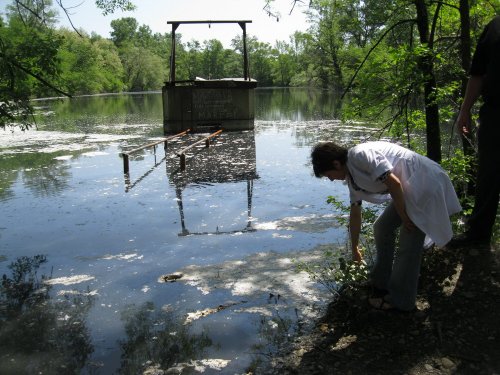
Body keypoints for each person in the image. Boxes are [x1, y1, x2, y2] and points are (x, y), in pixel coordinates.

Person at [311, 141, 461, 311]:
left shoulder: (360, 155)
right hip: (408, 190)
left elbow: (394, 183)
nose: (330, 179)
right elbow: (355, 214)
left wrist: (404, 217)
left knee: (409, 242)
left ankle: (401, 301)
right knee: (382, 228)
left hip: (425, 183)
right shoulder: (352, 178)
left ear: (336, 163)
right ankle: (380, 282)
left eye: (328, 174)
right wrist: (354, 248)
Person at [450, 15, 500, 248]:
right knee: (488, 175)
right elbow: (477, 73)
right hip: (495, 112)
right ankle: (478, 236)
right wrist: (464, 111)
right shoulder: (494, 26)